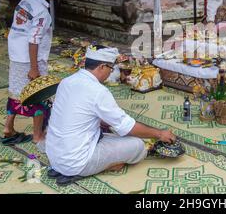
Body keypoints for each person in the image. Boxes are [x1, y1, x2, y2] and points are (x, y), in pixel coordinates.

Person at [45, 45, 176, 186]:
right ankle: (98, 168)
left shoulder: (66, 81)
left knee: (111, 132)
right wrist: (159, 134)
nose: (111, 73)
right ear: (102, 67)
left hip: (54, 155)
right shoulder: (98, 91)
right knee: (137, 145)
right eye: (111, 69)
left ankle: (68, 168)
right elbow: (128, 127)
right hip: (76, 162)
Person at [2, 0, 67, 149]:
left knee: (16, 91)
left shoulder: (24, 2)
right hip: (31, 59)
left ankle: (8, 127)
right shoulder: (41, 12)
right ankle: (38, 135)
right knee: (39, 94)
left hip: (16, 56)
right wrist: (34, 68)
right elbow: (34, 40)